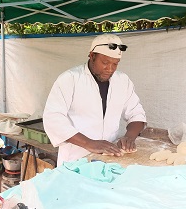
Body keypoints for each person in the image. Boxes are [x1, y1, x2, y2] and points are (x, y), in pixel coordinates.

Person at [43, 34, 147, 166]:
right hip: (76, 160)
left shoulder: (122, 81)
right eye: (105, 63)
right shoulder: (70, 79)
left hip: (110, 158)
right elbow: (53, 118)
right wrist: (88, 143)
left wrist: (129, 137)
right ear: (92, 56)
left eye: (115, 64)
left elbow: (136, 113)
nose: (110, 69)